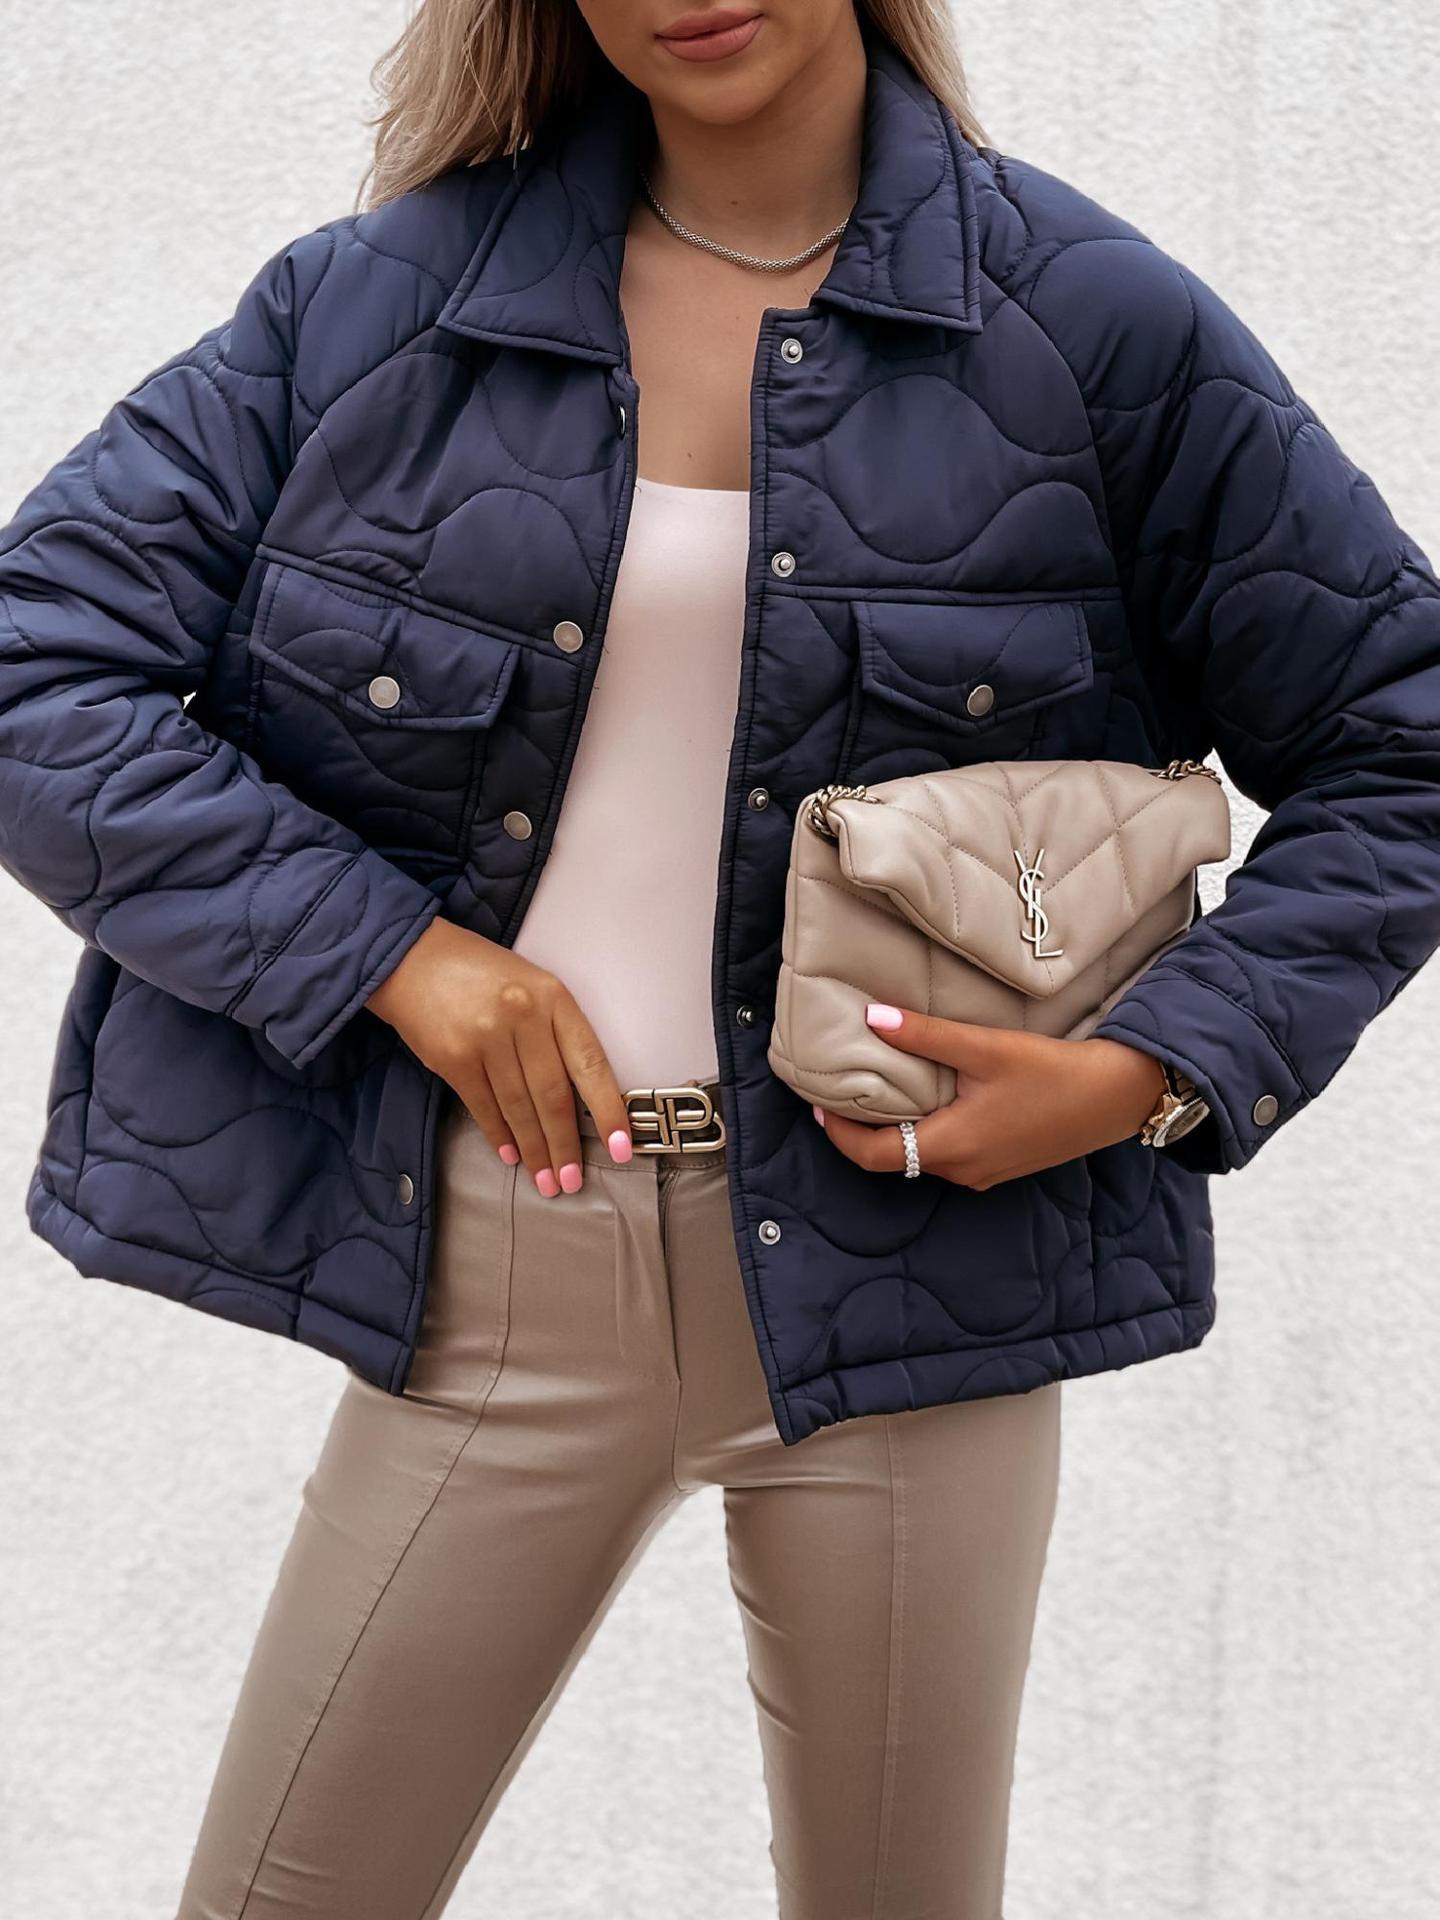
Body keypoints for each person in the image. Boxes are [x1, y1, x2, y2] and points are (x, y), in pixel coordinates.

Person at [2, 2, 1438, 1915]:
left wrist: (1145, 1072)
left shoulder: (1095, 326)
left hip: (919, 1276)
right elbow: (37, 672)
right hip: (502, 1252)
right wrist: (402, 959)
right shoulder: (380, 305)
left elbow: (1404, 742)